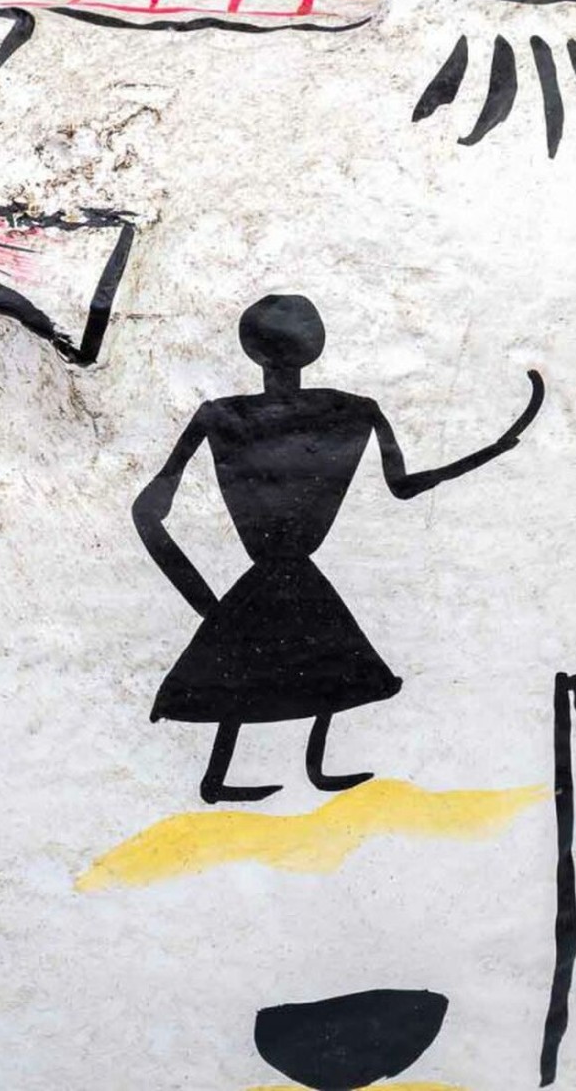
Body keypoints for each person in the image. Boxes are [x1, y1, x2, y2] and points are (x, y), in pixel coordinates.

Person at [133, 294, 544, 804]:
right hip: (281, 567)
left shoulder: (223, 415)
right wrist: (493, 448)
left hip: (276, 568)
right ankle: (254, 774)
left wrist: (209, 607)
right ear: (314, 345)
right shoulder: (351, 410)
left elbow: (146, 513)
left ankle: (293, 770)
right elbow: (405, 486)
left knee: (302, 655)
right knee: (308, 653)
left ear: (252, 349)